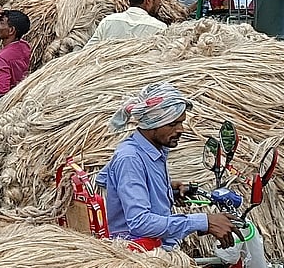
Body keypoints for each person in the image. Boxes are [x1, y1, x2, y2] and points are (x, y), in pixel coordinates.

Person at [96, 83, 235, 251]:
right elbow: (140, 223)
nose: (181, 129)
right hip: (139, 254)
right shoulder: (130, 158)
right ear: (152, 124)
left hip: (158, 247)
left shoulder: (153, 150)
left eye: (181, 122)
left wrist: (165, 189)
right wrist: (204, 221)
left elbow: (107, 179)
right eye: (172, 124)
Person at [87, 0, 167, 45]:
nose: (160, 4)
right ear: (148, 0)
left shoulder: (108, 22)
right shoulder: (159, 28)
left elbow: (86, 52)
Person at [0, 10, 32, 106]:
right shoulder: (25, 46)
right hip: (18, 97)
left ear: (11, 30)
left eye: (1, 23)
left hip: (5, 104)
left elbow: (2, 90)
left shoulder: (2, 57)